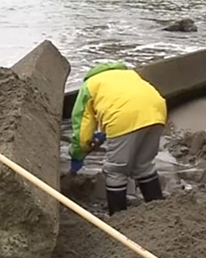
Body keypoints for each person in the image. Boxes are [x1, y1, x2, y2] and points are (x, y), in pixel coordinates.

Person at [68, 61, 168, 215]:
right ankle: (159, 209)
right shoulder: (129, 74)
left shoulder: (89, 85)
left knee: (116, 169)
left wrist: (78, 153)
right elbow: (125, 101)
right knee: (143, 165)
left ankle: (118, 216)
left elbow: (82, 129)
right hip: (157, 111)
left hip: (123, 118)